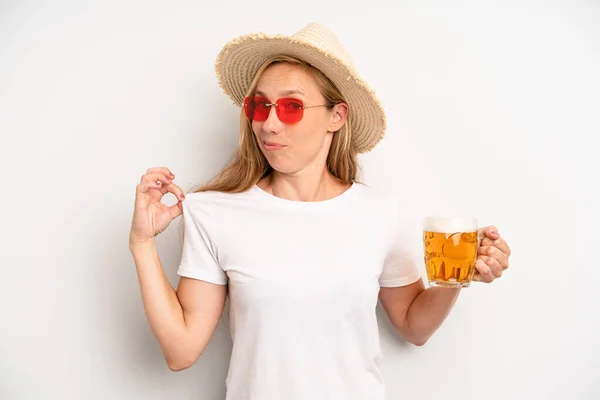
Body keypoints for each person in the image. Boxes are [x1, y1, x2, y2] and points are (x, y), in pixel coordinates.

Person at [128, 22, 512, 400]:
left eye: (292, 107)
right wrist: (142, 244)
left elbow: (414, 326)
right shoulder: (215, 212)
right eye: (261, 106)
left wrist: (458, 274)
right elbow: (180, 352)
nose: (269, 124)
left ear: (336, 116)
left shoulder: (378, 212)